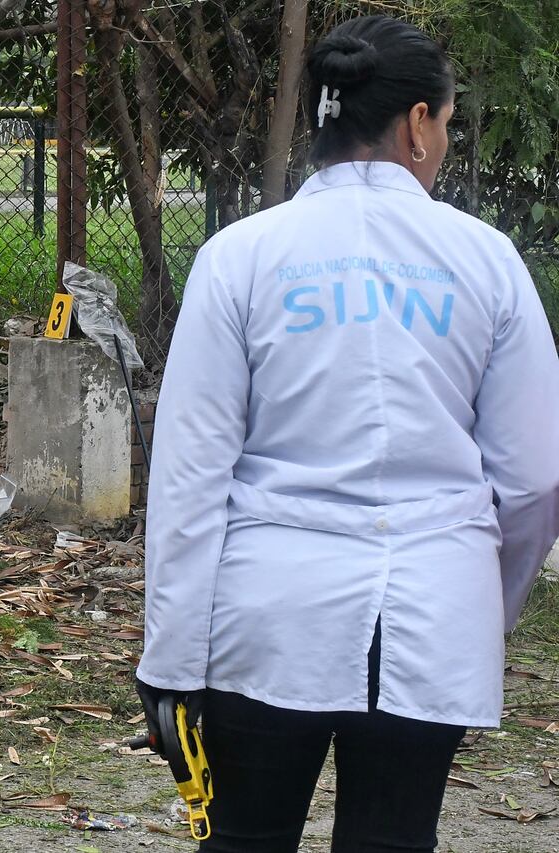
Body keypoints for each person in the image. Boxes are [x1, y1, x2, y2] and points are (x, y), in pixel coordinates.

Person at [135, 14, 559, 853]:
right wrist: (481, 601)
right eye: (446, 121)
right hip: (434, 611)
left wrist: (171, 662)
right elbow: (538, 479)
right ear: (417, 124)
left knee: (245, 840)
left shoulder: (241, 257)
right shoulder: (488, 260)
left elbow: (190, 476)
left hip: (266, 617)